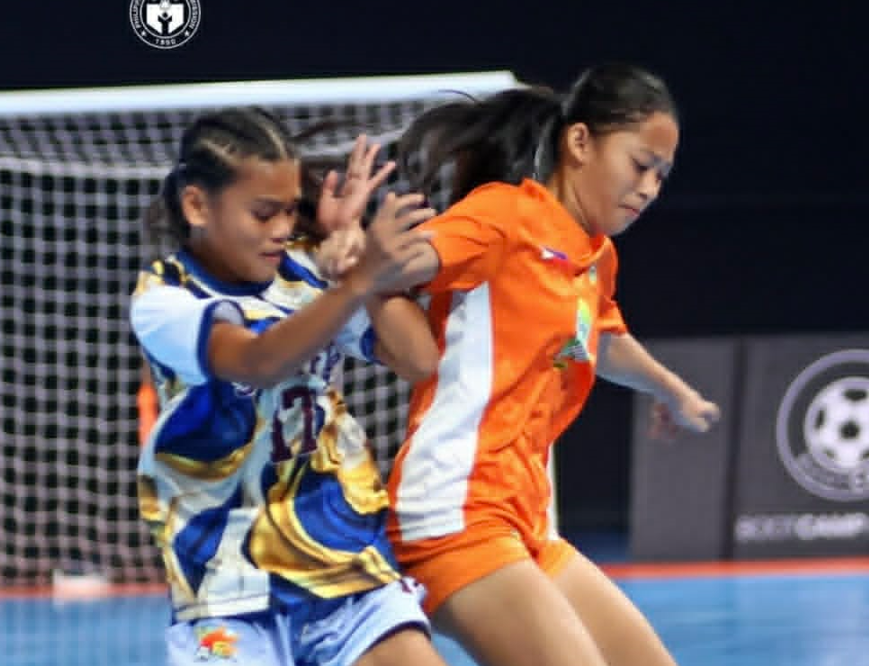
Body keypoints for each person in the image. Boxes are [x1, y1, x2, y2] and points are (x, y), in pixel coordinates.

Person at [375, 63, 721, 666]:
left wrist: (668, 390)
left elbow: (603, 337)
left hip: (525, 519)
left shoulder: (594, 256)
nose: (649, 188)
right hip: (454, 512)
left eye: (662, 176)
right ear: (580, 142)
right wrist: (352, 257)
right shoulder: (503, 217)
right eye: (640, 165)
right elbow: (393, 267)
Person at [130, 107, 447, 666]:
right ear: (197, 205)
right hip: (227, 585)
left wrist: (352, 261)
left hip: (346, 565)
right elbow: (258, 362)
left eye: (290, 211)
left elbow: (419, 360)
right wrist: (356, 283)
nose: (281, 229)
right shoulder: (164, 301)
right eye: (262, 213)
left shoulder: (308, 275)